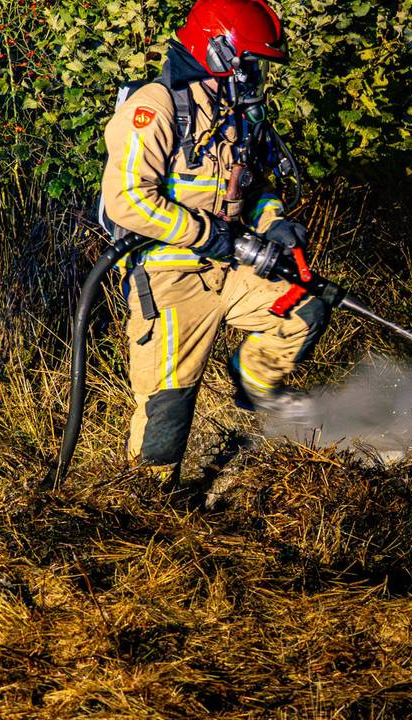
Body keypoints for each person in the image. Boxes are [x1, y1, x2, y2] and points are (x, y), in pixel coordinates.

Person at [100, 0, 328, 480]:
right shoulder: (154, 109)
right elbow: (127, 202)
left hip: (228, 266)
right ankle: (147, 506)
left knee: (304, 307)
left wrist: (274, 223)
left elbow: (257, 184)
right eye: (248, 62)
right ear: (218, 50)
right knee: (169, 404)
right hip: (168, 274)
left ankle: (253, 383)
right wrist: (209, 235)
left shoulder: (236, 114)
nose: (253, 74)